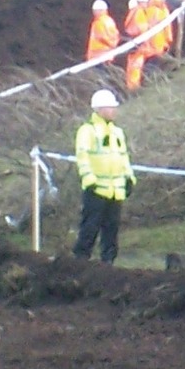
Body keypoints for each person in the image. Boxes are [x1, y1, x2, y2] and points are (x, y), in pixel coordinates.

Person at [73, 89, 135, 264]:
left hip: (115, 191)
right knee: (90, 227)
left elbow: (123, 157)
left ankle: (108, 262)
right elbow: (83, 157)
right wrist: (89, 179)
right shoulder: (88, 131)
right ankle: (81, 260)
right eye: (110, 107)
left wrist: (129, 178)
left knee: (111, 228)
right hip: (96, 189)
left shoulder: (117, 132)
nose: (114, 111)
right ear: (100, 109)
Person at [122, 0, 150, 92]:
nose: (147, 4)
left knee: (132, 66)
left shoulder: (133, 12)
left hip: (133, 42)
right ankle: (134, 88)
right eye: (146, 2)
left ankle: (131, 86)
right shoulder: (139, 12)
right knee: (136, 66)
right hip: (138, 43)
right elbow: (142, 28)